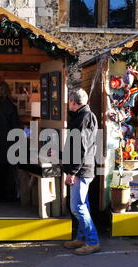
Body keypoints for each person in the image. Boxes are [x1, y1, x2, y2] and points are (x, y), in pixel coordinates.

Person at [61, 88, 100, 255]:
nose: (68, 104)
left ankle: (92, 241)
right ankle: (82, 237)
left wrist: (72, 172)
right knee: (83, 205)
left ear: (73, 102)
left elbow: (80, 148)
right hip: (84, 169)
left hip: (81, 170)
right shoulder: (84, 116)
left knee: (77, 207)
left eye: (69, 101)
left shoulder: (83, 118)